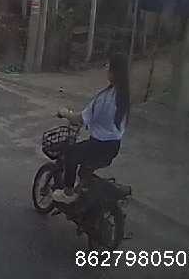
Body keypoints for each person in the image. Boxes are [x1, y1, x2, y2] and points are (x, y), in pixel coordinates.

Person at [52, 53, 131, 204]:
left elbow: (79, 119)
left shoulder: (105, 98)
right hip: (113, 145)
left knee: (70, 154)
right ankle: (83, 192)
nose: (106, 70)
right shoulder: (123, 95)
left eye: (108, 67)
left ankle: (68, 193)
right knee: (84, 170)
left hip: (98, 145)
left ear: (114, 72)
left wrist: (64, 113)